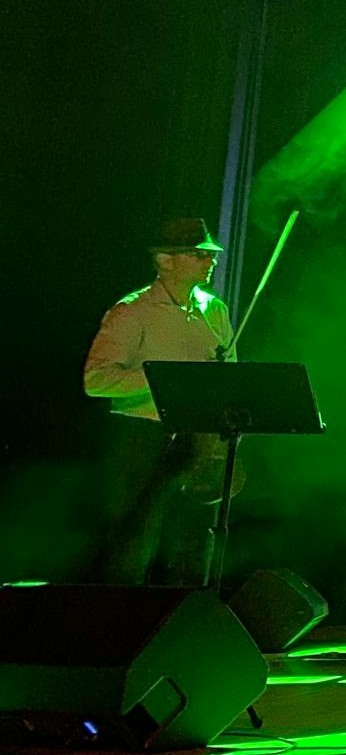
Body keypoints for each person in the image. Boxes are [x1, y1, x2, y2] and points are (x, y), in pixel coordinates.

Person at [81, 217, 237, 585]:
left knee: (192, 546)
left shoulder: (215, 310)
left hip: (197, 440)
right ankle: (121, 618)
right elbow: (95, 380)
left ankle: (185, 615)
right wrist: (166, 381)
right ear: (165, 260)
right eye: (199, 254)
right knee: (132, 545)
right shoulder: (131, 311)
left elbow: (229, 375)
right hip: (141, 437)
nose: (211, 261)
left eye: (211, 254)